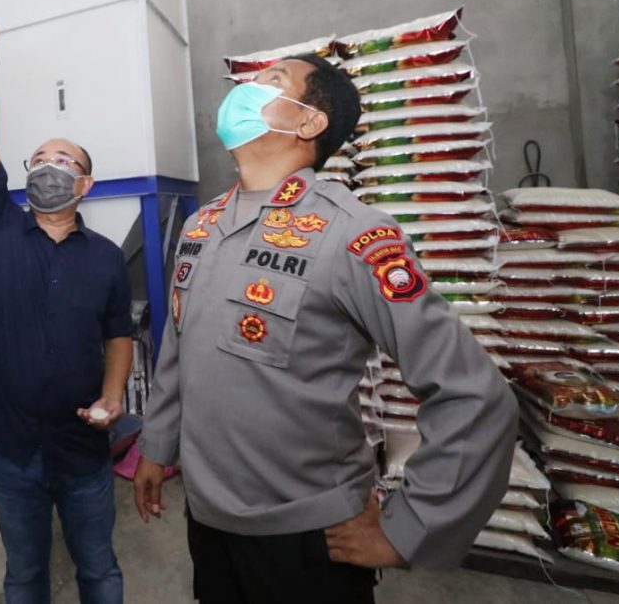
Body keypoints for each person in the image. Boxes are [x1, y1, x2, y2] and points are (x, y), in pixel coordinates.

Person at [133, 54, 518, 603]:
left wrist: (408, 528)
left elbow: (474, 395)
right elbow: (178, 350)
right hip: (209, 520)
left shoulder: (352, 234)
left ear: (309, 122)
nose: (245, 90)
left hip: (307, 536)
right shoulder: (201, 226)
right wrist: (155, 447)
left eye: (271, 81)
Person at [0, 0, 133, 604]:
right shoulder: (0, 228)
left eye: (64, 162)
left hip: (83, 447)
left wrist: (114, 396)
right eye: (39, 159)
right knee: (24, 576)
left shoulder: (106, 257)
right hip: (13, 449)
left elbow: (118, 334)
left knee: (99, 571)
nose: (48, 168)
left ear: (85, 185)